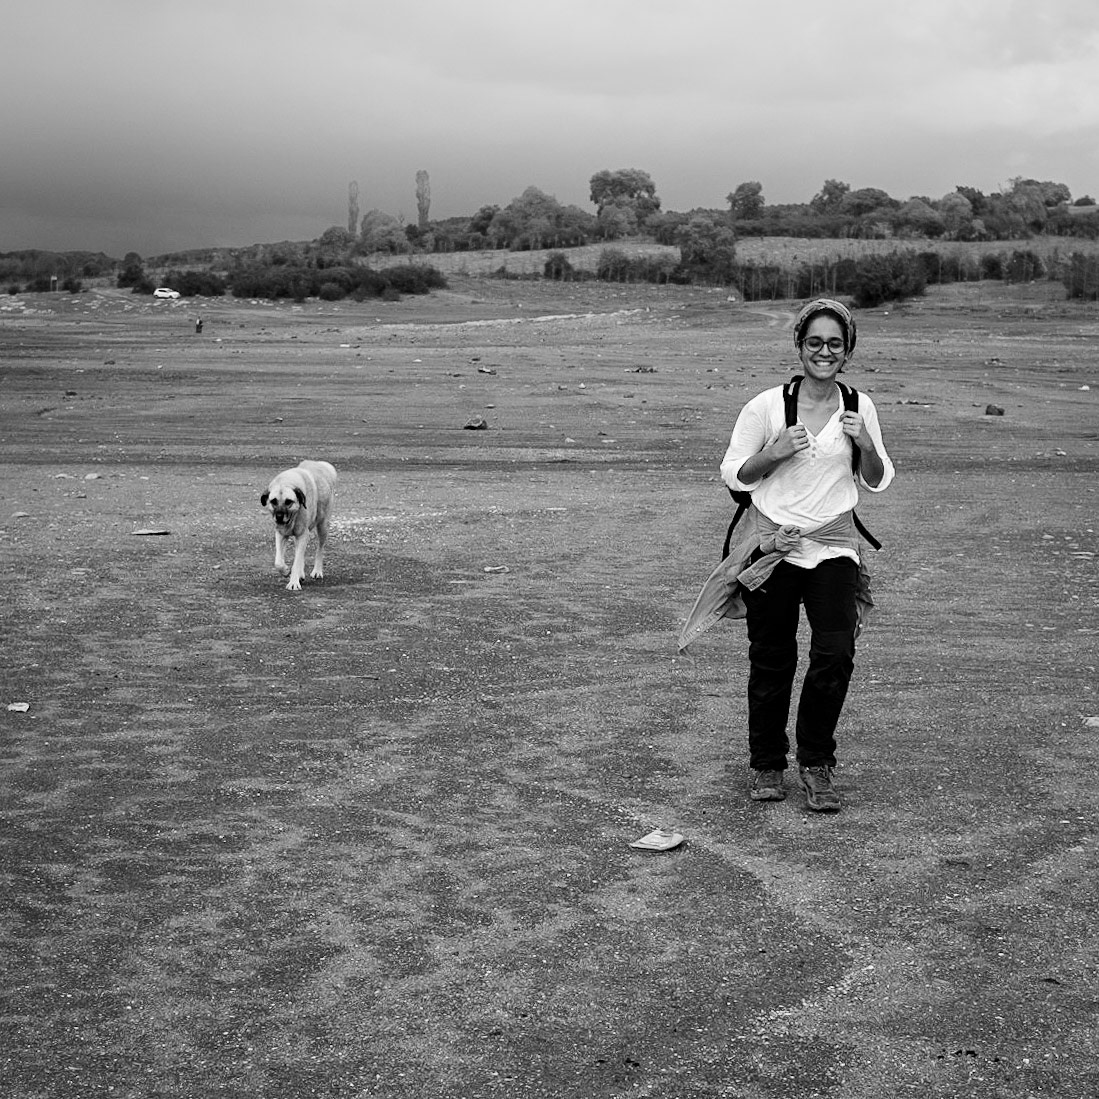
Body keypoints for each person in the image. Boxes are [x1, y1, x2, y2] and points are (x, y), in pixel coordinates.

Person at [718, 298, 894, 812]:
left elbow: (878, 479)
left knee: (834, 655)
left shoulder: (860, 407)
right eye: (814, 342)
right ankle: (767, 765)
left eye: (834, 344)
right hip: (775, 547)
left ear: (848, 351)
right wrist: (773, 452)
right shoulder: (766, 406)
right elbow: (734, 474)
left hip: (835, 547)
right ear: (799, 346)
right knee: (772, 659)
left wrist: (863, 444)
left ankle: (817, 764)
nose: (824, 351)